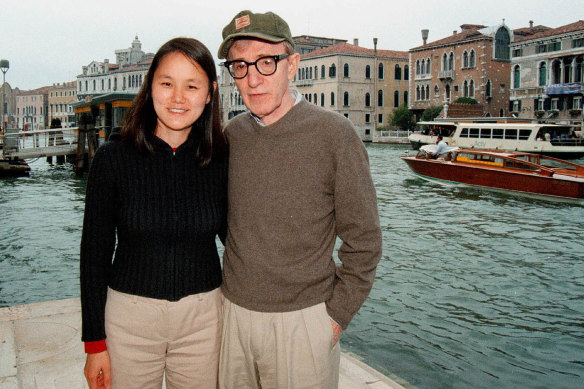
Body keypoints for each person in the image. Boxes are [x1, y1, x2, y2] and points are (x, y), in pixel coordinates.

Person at [217, 10, 382, 388]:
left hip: (304, 323)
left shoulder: (336, 135)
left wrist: (335, 318)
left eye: (266, 62)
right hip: (232, 316)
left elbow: (365, 241)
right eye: (239, 66)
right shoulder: (232, 135)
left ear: (292, 65)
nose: (252, 78)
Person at [80, 37, 227, 389]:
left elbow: (243, 241)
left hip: (204, 322)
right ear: (150, 88)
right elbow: (94, 256)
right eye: (166, 84)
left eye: (192, 86)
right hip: (129, 324)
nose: (178, 98)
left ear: (209, 93)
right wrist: (94, 343)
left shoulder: (222, 160)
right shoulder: (113, 159)